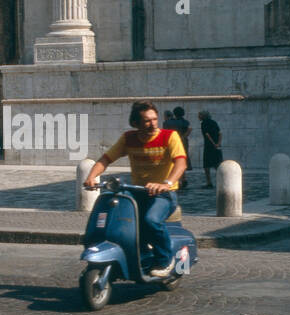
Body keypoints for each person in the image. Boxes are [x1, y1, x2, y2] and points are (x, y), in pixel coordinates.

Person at [82, 101, 187, 276]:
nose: (153, 124)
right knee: (116, 212)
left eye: (155, 119)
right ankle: (140, 255)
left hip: (164, 194)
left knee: (151, 220)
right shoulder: (128, 138)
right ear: (136, 123)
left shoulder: (169, 137)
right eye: (147, 121)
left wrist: (166, 184)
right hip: (138, 192)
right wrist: (92, 177)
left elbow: (181, 163)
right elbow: (106, 159)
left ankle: (164, 260)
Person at [198, 110, 223, 187]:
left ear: (203, 116)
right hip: (217, 145)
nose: (198, 117)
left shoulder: (203, 123)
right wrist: (218, 143)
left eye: (199, 115)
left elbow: (207, 135)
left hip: (209, 146)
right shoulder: (214, 122)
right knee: (217, 164)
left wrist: (213, 144)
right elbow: (220, 133)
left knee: (206, 165)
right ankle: (223, 180)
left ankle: (209, 182)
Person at [170, 106, 192, 190]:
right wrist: (183, 137)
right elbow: (190, 129)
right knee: (183, 159)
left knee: (174, 159)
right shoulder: (185, 122)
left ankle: (178, 180)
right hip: (183, 142)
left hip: (174, 141)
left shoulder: (170, 122)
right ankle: (183, 178)